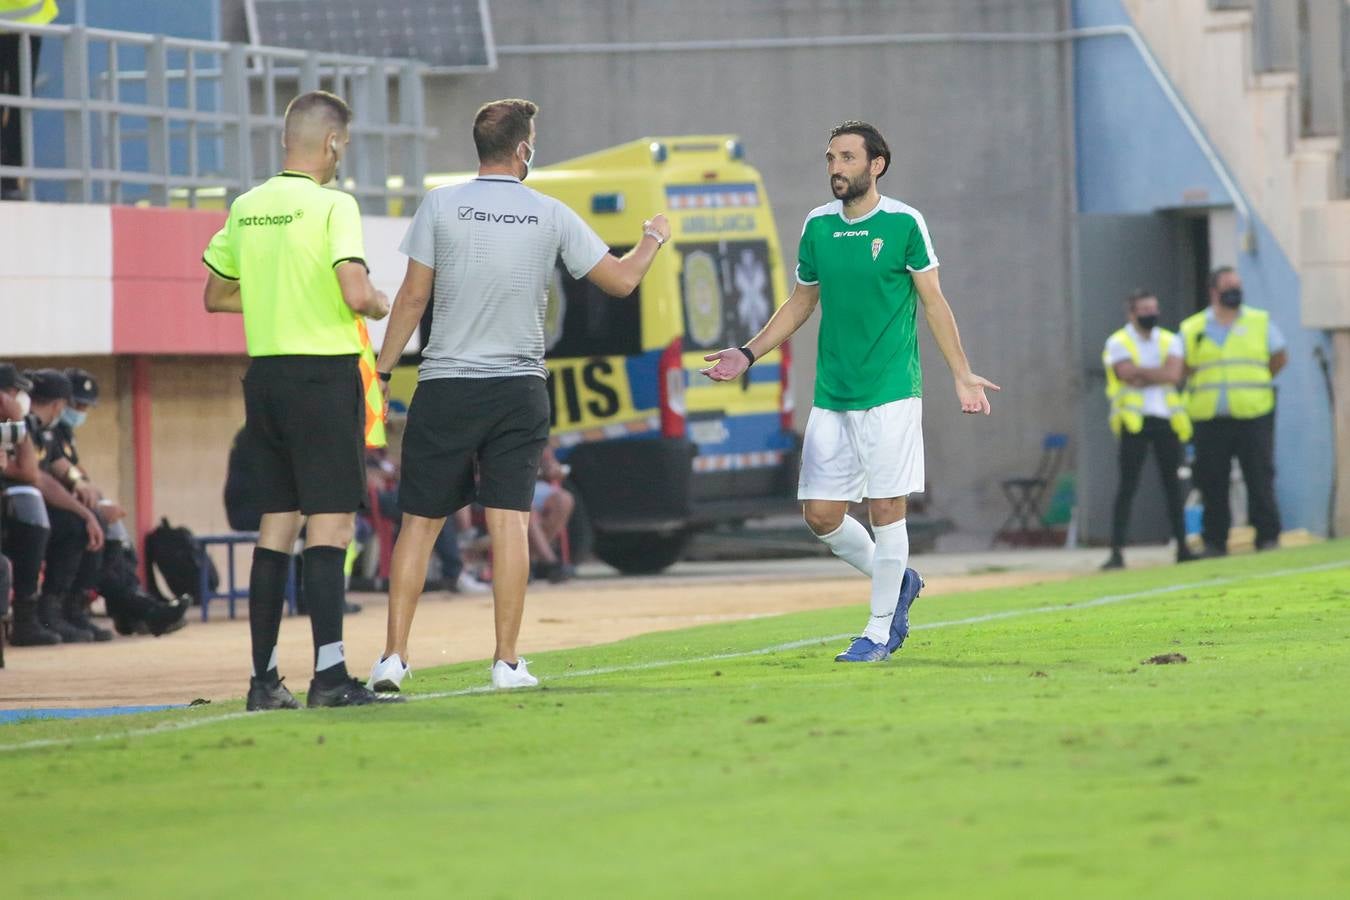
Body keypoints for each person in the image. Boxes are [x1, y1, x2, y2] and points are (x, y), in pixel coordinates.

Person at [367, 98, 669, 693]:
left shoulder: (441, 204)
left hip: (446, 384)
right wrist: (652, 238)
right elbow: (622, 280)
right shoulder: (548, 212)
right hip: (518, 388)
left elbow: (410, 299)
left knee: (419, 526)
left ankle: (393, 660)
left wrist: (379, 373)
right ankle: (506, 663)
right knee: (510, 523)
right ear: (524, 150)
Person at [703, 120, 996, 663]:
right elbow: (800, 300)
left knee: (887, 508)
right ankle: (899, 579)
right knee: (820, 515)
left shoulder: (905, 223)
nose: (835, 168)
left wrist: (961, 372)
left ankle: (878, 632)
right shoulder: (817, 226)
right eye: (830, 158)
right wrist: (747, 353)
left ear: (875, 164)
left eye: (846, 157)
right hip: (833, 395)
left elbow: (933, 301)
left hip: (890, 390)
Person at [201, 89, 398, 710]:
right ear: (334, 142)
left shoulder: (248, 206)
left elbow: (215, 294)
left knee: (277, 524)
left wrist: (272, 298)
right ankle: (331, 676)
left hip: (266, 380)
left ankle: (263, 681)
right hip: (323, 377)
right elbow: (354, 289)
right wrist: (380, 301)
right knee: (333, 523)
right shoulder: (332, 205)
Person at [1180, 267, 1287, 556]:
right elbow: (1182, 366)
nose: (1235, 291)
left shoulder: (1258, 321)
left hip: (1254, 411)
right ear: (1213, 291)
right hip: (1209, 416)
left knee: (1259, 476)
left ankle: (1267, 535)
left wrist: (1257, 381)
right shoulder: (1193, 328)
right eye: (1228, 286)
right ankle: (1214, 540)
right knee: (1212, 479)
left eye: (1237, 285)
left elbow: (1279, 356)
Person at [1101, 290, 1197, 570]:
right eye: (1144, 309)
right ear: (1132, 313)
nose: (1151, 313)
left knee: (1173, 485)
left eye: (1154, 308)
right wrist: (1158, 371)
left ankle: (1183, 547)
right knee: (1127, 487)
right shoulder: (1119, 341)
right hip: (1135, 422)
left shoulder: (1170, 339)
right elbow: (1125, 373)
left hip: (1166, 420)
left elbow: (1173, 375)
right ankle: (1117, 552)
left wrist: (1143, 373)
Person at [0, 0, 56, 198]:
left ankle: (10, 181)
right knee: (20, 107)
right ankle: (10, 182)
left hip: (28, 25)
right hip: (29, 24)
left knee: (20, 107)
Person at [529, 446, 575, 584]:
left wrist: (553, 469)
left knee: (564, 500)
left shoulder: (533, 432)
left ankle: (530, 558)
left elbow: (552, 464)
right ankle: (550, 562)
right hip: (507, 486)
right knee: (525, 508)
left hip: (534, 485)